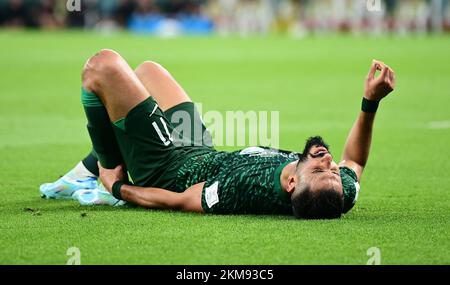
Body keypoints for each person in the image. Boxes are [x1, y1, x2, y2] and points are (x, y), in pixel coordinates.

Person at [40, 49, 395, 219]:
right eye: (332, 171)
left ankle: (98, 173)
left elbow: (180, 200)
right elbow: (355, 161)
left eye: (320, 168)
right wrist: (370, 102)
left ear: (290, 185)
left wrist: (117, 187)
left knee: (102, 67)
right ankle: (81, 173)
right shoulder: (336, 193)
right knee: (148, 70)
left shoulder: (245, 189)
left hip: (167, 167)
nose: (329, 162)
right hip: (201, 149)